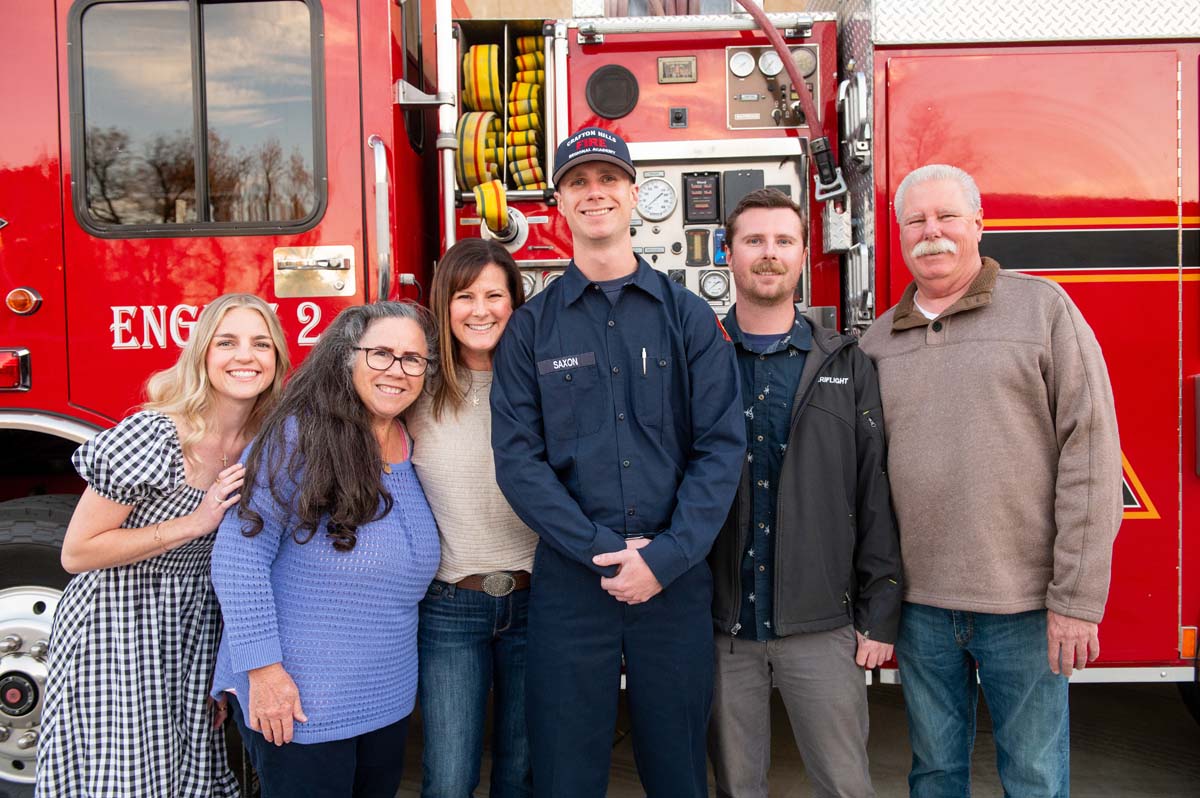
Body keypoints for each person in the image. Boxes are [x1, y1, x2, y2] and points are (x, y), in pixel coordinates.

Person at [490, 126, 745, 797]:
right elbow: (519, 464)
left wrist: (663, 558)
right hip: (574, 586)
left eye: (608, 180)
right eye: (578, 182)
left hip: (673, 581)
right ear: (558, 205)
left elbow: (720, 448)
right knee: (565, 775)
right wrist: (603, 552)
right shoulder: (531, 329)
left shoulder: (689, 319)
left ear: (635, 196)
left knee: (679, 772)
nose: (594, 192)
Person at [859, 164, 1122, 797]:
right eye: (916, 220)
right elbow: (861, 489)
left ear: (979, 223)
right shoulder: (876, 344)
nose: (933, 233)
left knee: (1033, 778)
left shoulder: (1042, 309)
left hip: (1026, 609)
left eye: (947, 216)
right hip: (921, 610)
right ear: (898, 233)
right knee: (935, 774)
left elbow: (1090, 455)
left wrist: (1077, 601)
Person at [36, 293, 289, 797]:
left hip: (194, 631)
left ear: (277, 360)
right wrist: (194, 522)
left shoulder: (267, 441)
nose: (246, 356)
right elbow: (77, 552)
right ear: (202, 355)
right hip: (117, 626)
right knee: (127, 778)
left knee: (185, 774)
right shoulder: (153, 435)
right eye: (228, 342)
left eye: (261, 344)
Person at [707, 188, 902, 798]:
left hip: (822, 624)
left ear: (802, 254)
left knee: (844, 784)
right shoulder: (699, 361)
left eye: (783, 241)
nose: (769, 254)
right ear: (728, 254)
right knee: (737, 787)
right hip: (722, 627)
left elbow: (874, 493)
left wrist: (879, 612)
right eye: (754, 241)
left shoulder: (847, 364)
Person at [210, 301, 441, 798]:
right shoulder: (300, 437)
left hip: (385, 699)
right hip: (299, 701)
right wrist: (263, 671)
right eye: (380, 353)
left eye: (412, 359)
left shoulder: (411, 440)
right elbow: (238, 557)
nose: (396, 371)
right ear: (345, 357)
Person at [407, 238, 537, 797]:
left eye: (494, 295)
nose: (480, 309)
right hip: (451, 606)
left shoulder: (541, 383)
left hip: (539, 601)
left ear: (515, 302)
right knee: (450, 776)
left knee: (522, 770)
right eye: (464, 296)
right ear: (443, 304)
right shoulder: (415, 389)